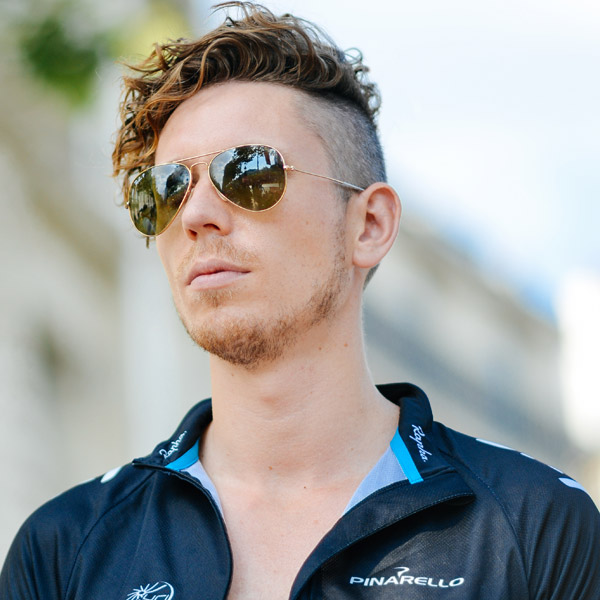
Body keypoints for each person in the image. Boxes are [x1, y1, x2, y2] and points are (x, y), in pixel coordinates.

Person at [2, 3, 599, 599]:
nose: (196, 216)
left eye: (248, 173)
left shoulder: (534, 527)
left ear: (369, 224)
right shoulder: (63, 550)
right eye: (165, 190)